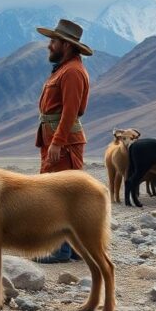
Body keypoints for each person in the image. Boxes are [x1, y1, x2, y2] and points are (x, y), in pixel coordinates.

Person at [34, 19, 93, 263]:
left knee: (57, 195)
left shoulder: (71, 73)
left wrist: (58, 142)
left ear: (66, 45)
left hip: (64, 142)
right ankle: (77, 248)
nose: (49, 46)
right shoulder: (64, 69)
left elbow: (70, 111)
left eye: (53, 41)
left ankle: (60, 250)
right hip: (56, 138)